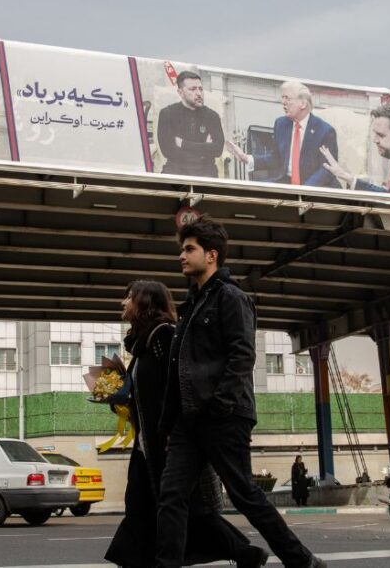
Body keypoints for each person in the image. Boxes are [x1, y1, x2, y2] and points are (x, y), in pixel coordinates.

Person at [156, 215, 326, 568]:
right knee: (171, 496)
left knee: (245, 495)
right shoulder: (192, 305)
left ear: (212, 255)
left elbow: (242, 355)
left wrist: (220, 405)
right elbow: (180, 370)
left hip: (223, 416)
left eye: (189, 249)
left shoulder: (231, 297)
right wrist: (171, 423)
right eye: (182, 250)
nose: (181, 256)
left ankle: (302, 560)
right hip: (190, 421)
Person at [106, 280, 267, 568]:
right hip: (147, 445)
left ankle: (244, 552)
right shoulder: (142, 346)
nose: (123, 303)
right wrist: (117, 395)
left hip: (169, 443)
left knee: (187, 510)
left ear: (144, 302)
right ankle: (243, 553)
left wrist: (176, 431)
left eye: (128, 297)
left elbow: (181, 386)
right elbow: (147, 396)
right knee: (146, 507)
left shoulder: (165, 337)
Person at [227, 80, 337, 188]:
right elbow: (276, 158)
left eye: (287, 98)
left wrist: (304, 191)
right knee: (251, 191)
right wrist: (246, 158)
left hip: (313, 188)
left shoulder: (325, 131)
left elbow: (327, 170)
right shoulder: (281, 124)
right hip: (286, 183)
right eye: (282, 98)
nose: (283, 102)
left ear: (303, 104)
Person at [156, 71, 225, 178]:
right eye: (193, 89)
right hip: (176, 171)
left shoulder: (212, 116)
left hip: (205, 172)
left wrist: (183, 144)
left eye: (201, 89)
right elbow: (168, 151)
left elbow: (217, 150)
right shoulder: (167, 114)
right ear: (180, 92)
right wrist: (205, 148)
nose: (199, 93)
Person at [320, 103, 390, 192]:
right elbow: (389, 195)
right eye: (375, 134)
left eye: (381, 135)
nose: (375, 140)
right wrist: (344, 175)